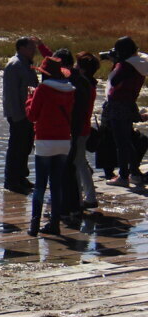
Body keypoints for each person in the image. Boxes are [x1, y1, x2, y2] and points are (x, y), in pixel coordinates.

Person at [25, 55, 75, 236]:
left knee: (40, 185)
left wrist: (30, 97)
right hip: (63, 140)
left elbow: (32, 115)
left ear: (44, 74)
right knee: (56, 184)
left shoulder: (43, 90)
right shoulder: (70, 90)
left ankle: (34, 225)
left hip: (45, 140)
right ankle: (55, 223)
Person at [4, 35, 49, 193]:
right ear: (21, 48)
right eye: (31, 48)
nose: (34, 51)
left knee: (25, 147)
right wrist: (17, 116)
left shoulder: (26, 64)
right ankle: (11, 180)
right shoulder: (14, 65)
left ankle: (21, 177)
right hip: (18, 114)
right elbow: (11, 95)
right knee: (16, 148)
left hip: (28, 114)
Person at [103, 36, 148, 187]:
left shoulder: (127, 66)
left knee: (121, 142)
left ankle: (124, 176)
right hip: (129, 104)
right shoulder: (140, 62)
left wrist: (116, 62)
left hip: (118, 106)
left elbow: (114, 81)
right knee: (126, 140)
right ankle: (134, 173)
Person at [64, 50, 100, 211]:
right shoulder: (90, 84)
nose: (75, 66)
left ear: (83, 69)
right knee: (81, 163)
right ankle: (89, 197)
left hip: (79, 129)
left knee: (76, 165)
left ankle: (80, 199)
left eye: (78, 64)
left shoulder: (82, 85)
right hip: (85, 128)